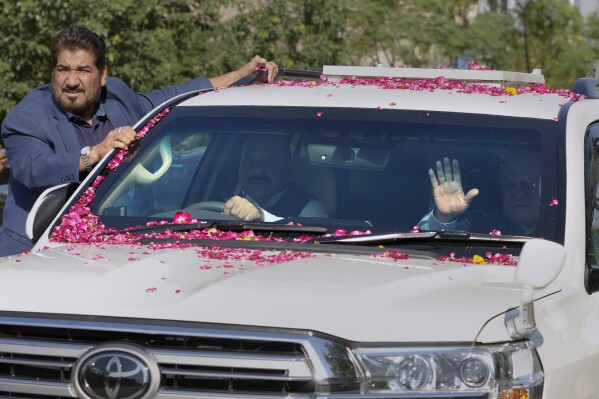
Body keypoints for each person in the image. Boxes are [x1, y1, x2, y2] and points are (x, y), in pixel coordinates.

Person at [0, 26, 278, 256]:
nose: (72, 81)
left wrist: (242, 76)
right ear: (52, 73)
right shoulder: (26, 117)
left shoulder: (119, 97)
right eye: (63, 69)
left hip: (114, 249)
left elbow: (175, 96)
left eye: (83, 70)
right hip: (32, 251)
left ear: (103, 75)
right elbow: (33, 168)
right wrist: (94, 154)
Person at [418, 154, 541, 235]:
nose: (518, 194)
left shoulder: (560, 232)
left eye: (527, 184)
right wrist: (444, 217)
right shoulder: (481, 226)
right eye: (509, 186)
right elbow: (423, 245)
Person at [223, 135, 328, 221]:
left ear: (288, 170)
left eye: (269, 161)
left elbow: (309, 236)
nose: (257, 171)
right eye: (248, 160)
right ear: (238, 168)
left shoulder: (309, 207)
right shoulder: (218, 196)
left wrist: (261, 216)